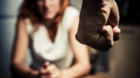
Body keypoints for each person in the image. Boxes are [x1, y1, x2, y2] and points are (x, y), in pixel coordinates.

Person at [10, 0, 91, 78]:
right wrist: (36, 75)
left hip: (67, 75)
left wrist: (60, 75)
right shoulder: (25, 19)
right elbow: (16, 64)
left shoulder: (71, 16)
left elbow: (84, 65)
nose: (46, 4)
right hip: (35, 74)